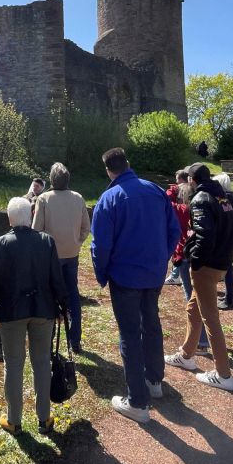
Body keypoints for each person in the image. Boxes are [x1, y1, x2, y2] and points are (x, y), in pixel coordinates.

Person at [91, 148, 181, 423]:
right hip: (152, 274)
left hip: (125, 277)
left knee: (130, 334)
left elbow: (100, 246)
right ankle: (154, 381)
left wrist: (102, 274)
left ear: (108, 170)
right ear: (128, 164)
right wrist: (161, 259)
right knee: (151, 324)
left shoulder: (109, 198)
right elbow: (174, 230)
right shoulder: (155, 191)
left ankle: (138, 402)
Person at [0, 197, 67, 436]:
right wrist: (62, 308)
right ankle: (44, 418)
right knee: (41, 363)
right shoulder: (46, 241)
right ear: (30, 216)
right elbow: (57, 278)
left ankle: (14, 420)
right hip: (43, 310)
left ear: (9, 219)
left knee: (13, 364)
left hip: (11, 312)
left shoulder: (0, 244)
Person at [165, 163, 233, 391]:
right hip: (221, 262)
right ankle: (186, 355)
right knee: (193, 308)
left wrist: (195, 262)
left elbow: (204, 236)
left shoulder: (200, 199)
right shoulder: (222, 196)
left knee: (210, 319)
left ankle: (223, 375)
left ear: (191, 180)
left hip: (207, 265)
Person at [32, 162, 90, 354]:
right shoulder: (78, 198)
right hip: (71, 254)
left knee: (49, 296)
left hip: (50, 256)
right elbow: (86, 227)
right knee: (72, 295)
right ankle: (76, 340)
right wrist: (77, 242)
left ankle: (48, 342)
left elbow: (36, 230)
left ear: (51, 180)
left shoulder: (44, 199)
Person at [168, 183, 210, 355]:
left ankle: (200, 341)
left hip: (186, 257)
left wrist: (175, 187)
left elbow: (166, 199)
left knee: (192, 300)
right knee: (201, 298)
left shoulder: (181, 209)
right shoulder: (203, 208)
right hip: (202, 257)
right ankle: (202, 340)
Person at [213, 173, 233, 310]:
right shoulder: (231, 195)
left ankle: (229, 299)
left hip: (229, 235)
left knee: (227, 267)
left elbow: (224, 217)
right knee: (228, 265)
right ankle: (232, 295)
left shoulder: (225, 197)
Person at [164, 170, 190, 285]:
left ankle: (175, 275)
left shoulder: (181, 209)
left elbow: (166, 201)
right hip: (190, 236)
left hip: (182, 236)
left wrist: (173, 190)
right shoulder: (194, 202)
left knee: (179, 250)